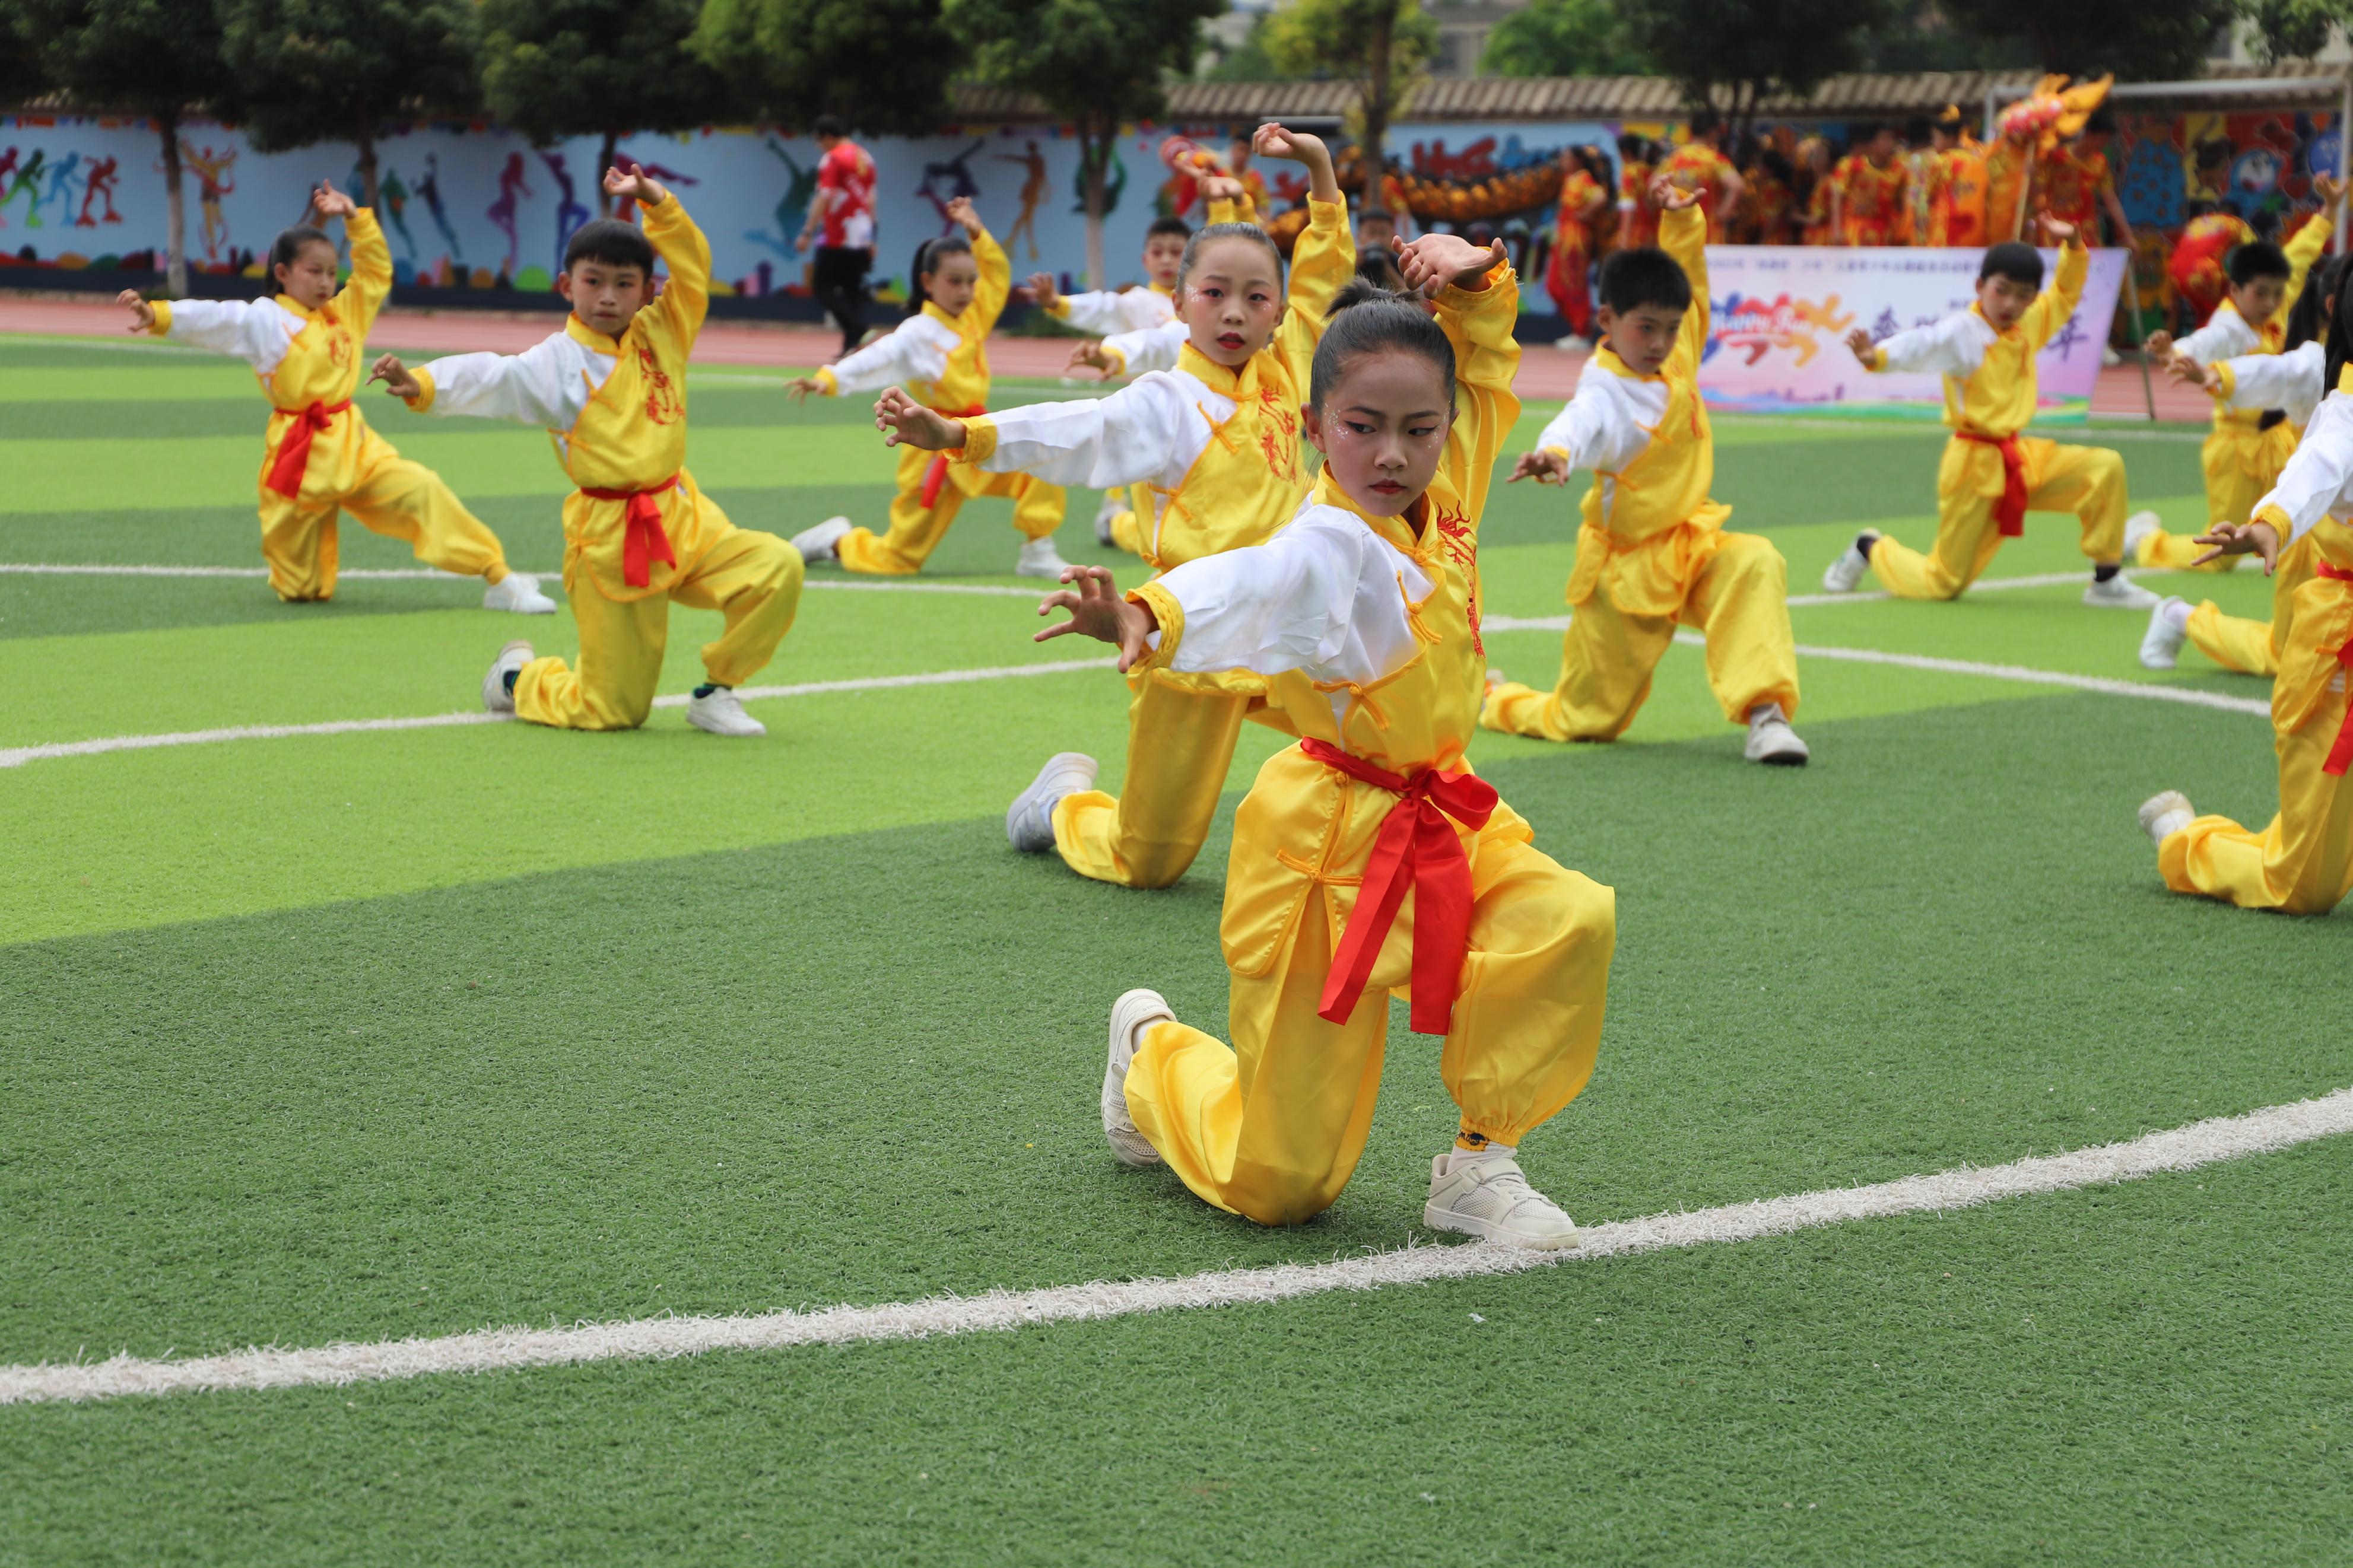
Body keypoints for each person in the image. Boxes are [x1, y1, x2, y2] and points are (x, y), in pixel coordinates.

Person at [1034, 233, 1616, 1248]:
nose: (1391, 454)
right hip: (1322, 844)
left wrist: (1471, 270)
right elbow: (1250, 580)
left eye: (1419, 430)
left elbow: (1483, 357)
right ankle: (1152, 1052)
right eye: (1362, 427)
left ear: (1447, 430)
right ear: (1314, 427)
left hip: (1445, 809)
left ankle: (1479, 1163)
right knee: (1282, 1186)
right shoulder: (1327, 541)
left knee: (1563, 917)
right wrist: (1148, 613)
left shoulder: (1444, 493)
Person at [880, 125, 1353, 890]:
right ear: (1178, 304)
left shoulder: (1288, 363)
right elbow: (1075, 430)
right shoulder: (1167, 401)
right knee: (1149, 863)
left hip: (1291, 628)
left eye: (1255, 296)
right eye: (1214, 293)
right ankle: (1064, 803)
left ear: (1278, 311)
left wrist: (1320, 171)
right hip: (1190, 633)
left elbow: (1326, 270)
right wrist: (957, 434)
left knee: (1375, 737)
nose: (1234, 312)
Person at [369, 167, 804, 739]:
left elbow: (694, 267)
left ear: (649, 290)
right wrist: (422, 382)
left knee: (777, 567)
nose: (607, 296)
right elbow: (493, 377)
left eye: (625, 284)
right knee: (615, 711)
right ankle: (517, 679)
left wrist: (656, 200)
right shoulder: (556, 363)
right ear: (565, 286)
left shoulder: (665, 328)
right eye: (593, 280)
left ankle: (716, 690)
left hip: (683, 518)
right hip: (612, 536)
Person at [1482, 179, 1805, 765]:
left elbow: (1693, 285)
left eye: (1669, 329)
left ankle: (1767, 718)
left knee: (1753, 560)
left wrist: (1681, 220)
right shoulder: (1603, 389)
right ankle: (1493, 699)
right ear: (1607, 319)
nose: (1659, 343)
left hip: (1690, 542)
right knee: (1582, 722)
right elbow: (1578, 423)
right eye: (1644, 328)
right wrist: (1553, 454)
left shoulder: (1676, 352)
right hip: (1624, 571)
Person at [121, 180, 549, 615]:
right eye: (314, 271)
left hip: (355, 446)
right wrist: (155, 313)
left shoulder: (345, 312)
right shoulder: (265, 321)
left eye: (331, 272)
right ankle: (301, 576)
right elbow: (214, 318)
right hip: (298, 455)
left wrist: (355, 219)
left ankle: (499, 577)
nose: (327, 281)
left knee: (423, 489)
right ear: (283, 273)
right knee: (301, 589)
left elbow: (376, 273)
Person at [2139, 261, 2353, 916]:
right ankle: (2184, 839)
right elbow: (2316, 467)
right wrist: (2271, 521)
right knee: (2301, 886)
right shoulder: (2342, 407)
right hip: (2337, 633)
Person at [1822, 217, 2160, 607]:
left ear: (2032, 298)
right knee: (1942, 583)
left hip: (2019, 456)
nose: (2010, 304)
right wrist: (1876, 355)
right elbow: (1923, 343)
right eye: (2001, 291)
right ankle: (1869, 547)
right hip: (1973, 468)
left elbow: (2064, 295)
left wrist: (2073, 247)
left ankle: (2106, 580)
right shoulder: (1961, 333)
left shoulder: (2026, 324)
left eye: (2023, 295)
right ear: (1980, 287)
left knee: (2103, 468)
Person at [786, 197, 1071, 579]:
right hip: (934, 442)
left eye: (970, 281)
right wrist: (829, 378)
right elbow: (879, 354)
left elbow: (997, 274)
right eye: (954, 281)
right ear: (927, 283)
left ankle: (1038, 549)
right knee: (898, 560)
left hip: (978, 433)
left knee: (1042, 456)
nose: (966, 290)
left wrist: (977, 232)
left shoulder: (972, 317)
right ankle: (837, 540)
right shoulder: (918, 332)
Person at [2140, 253, 2347, 675]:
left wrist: (2326, 216)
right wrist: (2211, 376)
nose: (2270, 300)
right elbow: (2274, 374)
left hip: (2290, 487)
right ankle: (2181, 616)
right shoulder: (2317, 365)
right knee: (2285, 657)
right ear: (2335, 307)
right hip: (2312, 530)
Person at [2133, 185, 2341, 574]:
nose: (2270, 302)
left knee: (2306, 511)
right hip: (2234, 448)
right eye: (2260, 294)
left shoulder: (2277, 301)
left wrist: (2327, 211)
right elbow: (2200, 343)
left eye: (2277, 294)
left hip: (2277, 436)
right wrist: (2172, 353)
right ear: (2234, 290)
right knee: (2220, 553)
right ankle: (2146, 542)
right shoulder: (2229, 327)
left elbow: (2299, 255)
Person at [1027, 214, 1194, 548]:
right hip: (1150, 402)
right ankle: (1116, 516)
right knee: (1141, 463)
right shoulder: (1137, 301)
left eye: (1176, 252)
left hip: (1192, 399)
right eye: (1158, 252)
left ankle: (1121, 518)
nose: (1166, 259)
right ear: (1145, 260)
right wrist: (1059, 304)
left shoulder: (1201, 301)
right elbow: (1103, 307)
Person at [800, 115, 878, 357]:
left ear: (828, 137)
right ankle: (852, 345)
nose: (819, 147)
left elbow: (825, 196)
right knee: (851, 288)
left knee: (822, 287)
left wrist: (808, 231)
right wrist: (873, 236)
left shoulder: (832, 159)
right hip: (862, 232)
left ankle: (858, 329)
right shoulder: (865, 157)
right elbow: (871, 198)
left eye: (819, 141)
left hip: (838, 234)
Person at [1546, 145, 1609, 349]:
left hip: (1575, 240)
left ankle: (1581, 331)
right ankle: (1580, 325)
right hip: (1564, 239)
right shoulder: (1569, 180)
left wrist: (1585, 213)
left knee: (1574, 284)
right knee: (1555, 285)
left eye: (1566, 157)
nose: (1562, 161)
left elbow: (1601, 196)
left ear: (1578, 161)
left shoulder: (1583, 179)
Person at [1658, 110, 1744, 243]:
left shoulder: (1674, 158)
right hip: (1707, 231)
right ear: (1713, 131)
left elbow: (1653, 185)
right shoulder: (1714, 159)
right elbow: (1737, 186)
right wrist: (1722, 214)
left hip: (1678, 231)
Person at [1829, 123, 1909, 247]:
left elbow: (1902, 204)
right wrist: (1837, 231)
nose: (1891, 144)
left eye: (1892, 139)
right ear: (1872, 144)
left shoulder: (1900, 170)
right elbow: (1838, 197)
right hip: (1855, 230)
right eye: (1885, 139)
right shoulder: (1850, 166)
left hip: (1886, 231)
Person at [1920, 108, 1988, 247]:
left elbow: (1928, 195)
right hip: (1973, 221)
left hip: (1945, 221)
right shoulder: (1979, 159)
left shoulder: (1940, 162)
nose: (1933, 143)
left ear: (1949, 138)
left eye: (1935, 138)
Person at [1616, 133, 1657, 251]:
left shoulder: (1630, 173)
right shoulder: (1651, 171)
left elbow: (1628, 207)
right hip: (1653, 233)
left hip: (1635, 234)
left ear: (1626, 153)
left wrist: (1624, 240)